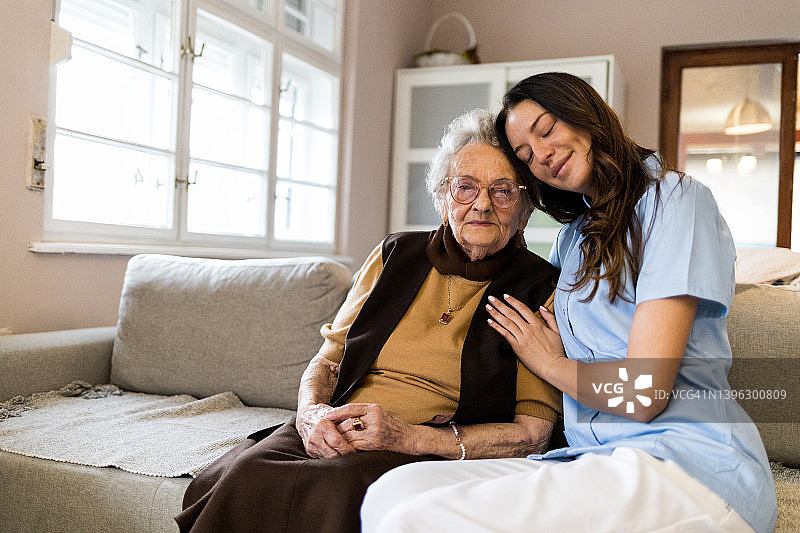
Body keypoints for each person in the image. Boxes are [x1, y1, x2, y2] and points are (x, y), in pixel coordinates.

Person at [360, 73, 777, 533]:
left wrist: (551, 362)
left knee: (419, 519)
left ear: (586, 113)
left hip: (686, 464)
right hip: (592, 457)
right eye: (525, 155)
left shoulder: (674, 200)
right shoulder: (573, 240)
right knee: (390, 492)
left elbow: (644, 391)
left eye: (546, 130)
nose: (541, 156)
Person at [174, 108, 562, 533]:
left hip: (427, 448)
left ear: (525, 209)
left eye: (502, 191)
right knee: (247, 474)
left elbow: (532, 434)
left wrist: (410, 437)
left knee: (336, 490)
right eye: (465, 187)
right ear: (443, 198)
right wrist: (311, 415)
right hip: (336, 425)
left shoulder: (539, 287)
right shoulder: (394, 255)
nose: (482, 204)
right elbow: (328, 360)